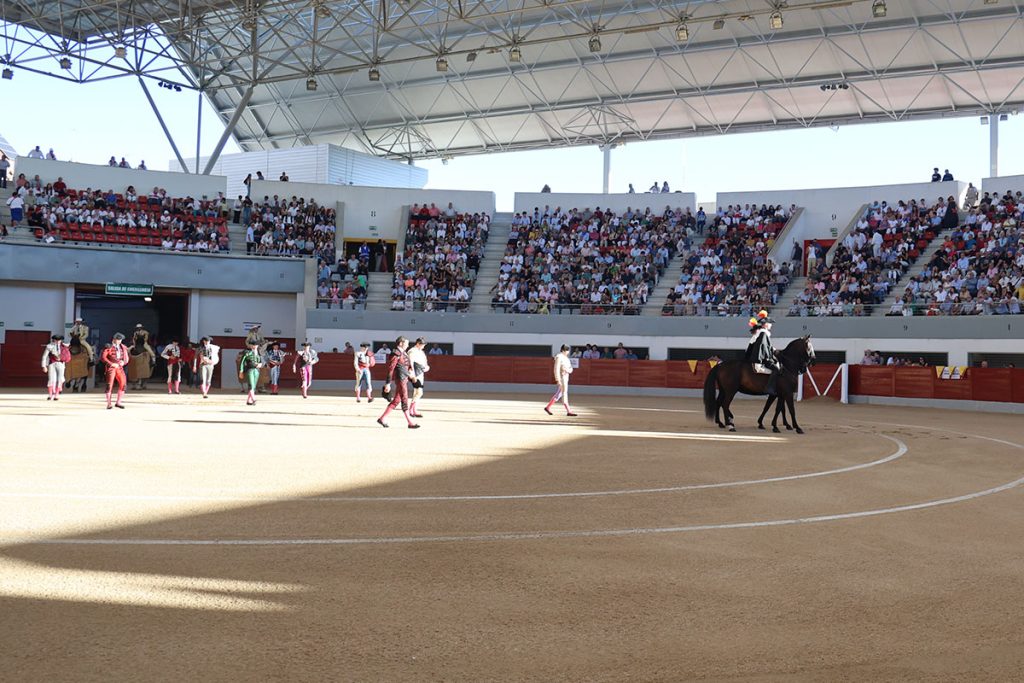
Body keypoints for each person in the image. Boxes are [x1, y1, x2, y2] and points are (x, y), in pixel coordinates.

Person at [377, 336, 419, 428]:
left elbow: (405, 366)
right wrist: (388, 383)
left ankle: (382, 418)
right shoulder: (396, 353)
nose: (408, 345)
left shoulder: (402, 353)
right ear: (401, 343)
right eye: (406, 343)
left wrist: (411, 374)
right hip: (400, 379)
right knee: (404, 399)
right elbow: (391, 369)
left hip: (404, 378)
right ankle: (410, 422)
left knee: (397, 400)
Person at [745, 310, 780, 395]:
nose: (771, 325)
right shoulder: (763, 334)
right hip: (759, 359)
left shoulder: (761, 333)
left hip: (757, 356)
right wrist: (770, 356)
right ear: (766, 324)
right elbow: (762, 347)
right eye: (770, 323)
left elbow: (766, 346)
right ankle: (770, 388)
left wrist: (773, 349)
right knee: (776, 369)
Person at [544, 345, 577, 416]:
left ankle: (548, 407)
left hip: (566, 377)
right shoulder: (559, 357)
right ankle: (569, 411)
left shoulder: (566, 359)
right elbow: (556, 369)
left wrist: (567, 370)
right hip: (562, 378)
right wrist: (558, 379)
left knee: (559, 394)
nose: (568, 352)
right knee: (564, 393)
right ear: (564, 350)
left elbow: (571, 369)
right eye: (567, 351)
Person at [101, 333, 130, 409]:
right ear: (113, 339)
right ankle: (109, 404)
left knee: (123, 384)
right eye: (118, 340)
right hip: (111, 368)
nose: (119, 341)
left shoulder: (123, 347)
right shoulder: (108, 347)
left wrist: (123, 362)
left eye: (120, 340)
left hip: (120, 367)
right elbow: (103, 358)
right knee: (109, 385)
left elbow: (126, 358)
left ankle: (118, 402)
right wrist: (111, 364)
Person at [41, 334, 69, 401]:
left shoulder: (64, 346)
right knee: (51, 379)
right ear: (53, 340)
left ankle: (56, 394)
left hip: (61, 363)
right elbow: (44, 356)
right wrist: (44, 366)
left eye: (59, 340)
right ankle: (50, 394)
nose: (58, 341)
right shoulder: (49, 346)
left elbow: (67, 355)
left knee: (60, 379)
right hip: (52, 364)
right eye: (56, 340)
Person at [407, 337, 430, 418]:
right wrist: (412, 374)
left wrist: (426, 367)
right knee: (419, 392)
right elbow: (410, 363)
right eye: (422, 344)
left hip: (420, 373)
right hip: (415, 373)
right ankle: (411, 410)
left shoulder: (421, 352)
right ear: (418, 344)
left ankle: (414, 410)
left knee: (417, 392)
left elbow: (425, 363)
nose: (423, 346)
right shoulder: (412, 351)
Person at [239, 340, 263, 406]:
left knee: (254, 386)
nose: (254, 346)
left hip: (257, 370)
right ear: (250, 345)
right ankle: (254, 399)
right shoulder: (246, 352)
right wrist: (241, 371)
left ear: (257, 346)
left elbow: (261, 361)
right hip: (250, 370)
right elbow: (242, 362)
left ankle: (249, 401)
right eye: (253, 345)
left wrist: (260, 364)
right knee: (251, 385)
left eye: (255, 345)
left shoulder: (259, 352)